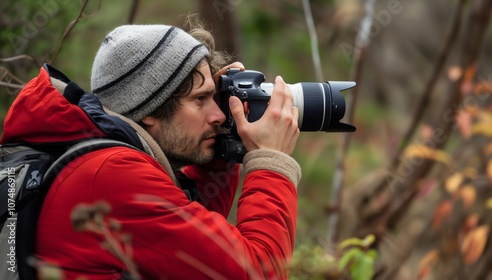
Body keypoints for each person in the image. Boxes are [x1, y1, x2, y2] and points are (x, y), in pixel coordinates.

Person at [1, 20, 301, 279]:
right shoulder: (112, 175)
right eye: (201, 99)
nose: (219, 115)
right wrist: (270, 160)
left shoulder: (95, 162)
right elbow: (260, 272)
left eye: (216, 98)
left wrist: (222, 152)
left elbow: (190, 243)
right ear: (151, 110)